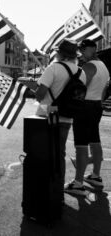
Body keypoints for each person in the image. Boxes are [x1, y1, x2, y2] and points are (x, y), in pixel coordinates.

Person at [33, 39, 86, 196]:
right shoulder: (81, 72)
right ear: (74, 55)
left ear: (60, 53)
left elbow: (40, 95)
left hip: (47, 115)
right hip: (67, 117)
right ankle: (57, 191)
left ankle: (44, 189)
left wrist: (35, 90)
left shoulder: (53, 68)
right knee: (59, 154)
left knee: (43, 153)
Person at [66, 39, 110, 195]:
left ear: (88, 49)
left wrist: (71, 104)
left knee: (81, 145)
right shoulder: (104, 66)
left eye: (82, 51)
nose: (80, 54)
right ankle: (96, 176)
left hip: (85, 107)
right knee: (95, 141)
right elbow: (104, 91)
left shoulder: (89, 66)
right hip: (97, 105)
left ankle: (78, 183)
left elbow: (79, 89)